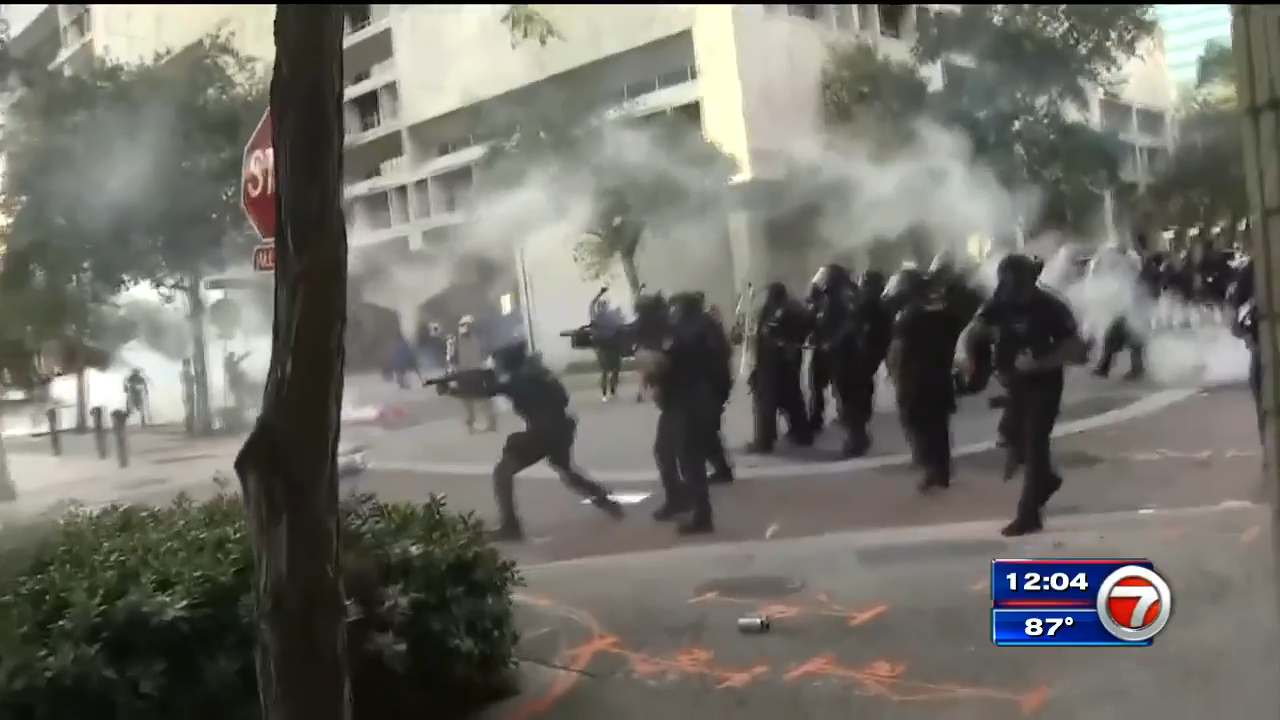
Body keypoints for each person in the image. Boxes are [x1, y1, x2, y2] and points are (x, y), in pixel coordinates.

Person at [961, 253, 1088, 537]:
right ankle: (1046, 480)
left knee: (1035, 445)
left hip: (1044, 383)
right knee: (1010, 435)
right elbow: (974, 331)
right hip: (1014, 382)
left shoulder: (1052, 306)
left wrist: (1041, 363)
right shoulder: (998, 301)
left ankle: (1029, 515)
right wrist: (971, 358)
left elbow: (1078, 351)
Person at [454, 340, 623, 541]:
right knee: (567, 471)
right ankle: (606, 502)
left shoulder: (520, 379)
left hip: (544, 432)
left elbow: (489, 391)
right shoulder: (537, 372)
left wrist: (454, 390)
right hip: (561, 427)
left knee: (503, 472)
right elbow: (560, 398)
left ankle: (510, 526)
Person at [647, 291, 724, 534]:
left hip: (684, 401)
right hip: (703, 396)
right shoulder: (708, 325)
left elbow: (664, 363)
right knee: (681, 454)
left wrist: (651, 373)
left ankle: (700, 515)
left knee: (686, 458)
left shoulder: (681, 332)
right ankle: (682, 501)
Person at [885, 268, 957, 493]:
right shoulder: (939, 310)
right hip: (940, 375)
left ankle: (930, 469)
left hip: (916, 378)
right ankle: (942, 470)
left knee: (917, 423)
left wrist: (895, 374)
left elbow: (899, 350)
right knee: (938, 424)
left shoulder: (907, 315)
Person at [745, 282, 812, 454]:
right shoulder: (792, 309)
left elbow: (769, 333)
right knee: (792, 399)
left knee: (766, 403)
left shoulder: (778, 311)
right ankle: (802, 434)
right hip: (785, 362)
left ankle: (764, 441)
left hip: (771, 363)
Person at [449, 315, 497, 434]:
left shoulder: (476, 339)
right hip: (464, 373)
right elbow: (452, 359)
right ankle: (472, 425)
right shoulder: (455, 342)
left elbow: (485, 353)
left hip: (475, 371)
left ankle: (491, 422)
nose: (468, 328)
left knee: (482, 399)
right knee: (469, 401)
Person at [590, 294, 626, 402]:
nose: (603, 307)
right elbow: (592, 304)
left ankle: (610, 392)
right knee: (608, 371)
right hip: (607, 347)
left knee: (611, 371)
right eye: (602, 305)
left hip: (610, 347)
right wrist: (599, 294)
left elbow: (621, 325)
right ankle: (607, 393)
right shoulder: (599, 317)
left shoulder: (608, 317)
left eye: (604, 305)